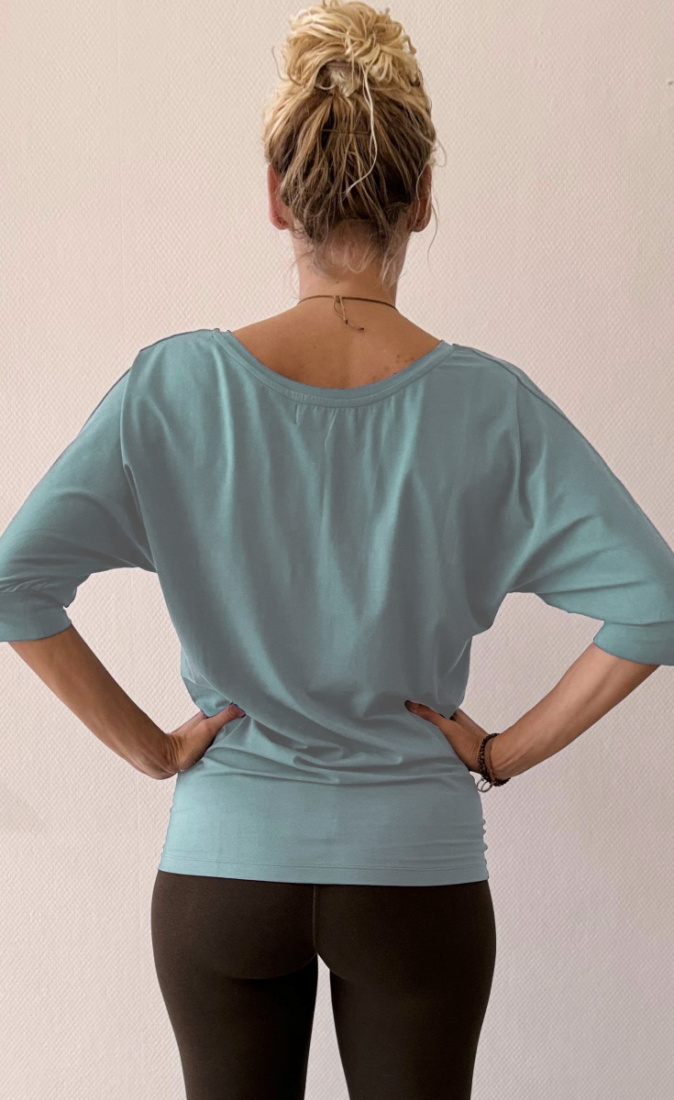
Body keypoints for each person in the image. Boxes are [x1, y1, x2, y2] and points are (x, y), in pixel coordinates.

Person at [1, 2, 674, 1097]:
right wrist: (499, 753)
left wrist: (155, 751)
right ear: (422, 198)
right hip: (416, 877)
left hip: (222, 873)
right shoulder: (492, 408)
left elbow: (15, 582)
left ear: (277, 196)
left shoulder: (173, 389)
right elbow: (656, 603)